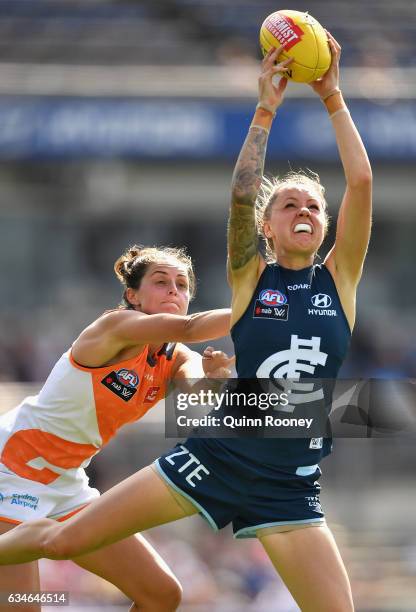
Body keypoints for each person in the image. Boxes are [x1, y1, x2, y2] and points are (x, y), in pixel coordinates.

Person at [0, 33, 371, 612]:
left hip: (286, 481)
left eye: (315, 206)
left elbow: (364, 185)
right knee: (36, 584)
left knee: (163, 596)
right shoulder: (162, 312)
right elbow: (237, 207)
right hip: (178, 462)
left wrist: (334, 98)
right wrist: (266, 108)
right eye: (289, 205)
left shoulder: (338, 282)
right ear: (266, 228)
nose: (304, 211)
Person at [0, 244, 232, 612]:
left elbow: (194, 395)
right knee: (23, 606)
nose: (174, 290)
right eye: (161, 282)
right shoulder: (116, 326)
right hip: (12, 469)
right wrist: (264, 307)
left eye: (182, 284)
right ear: (132, 296)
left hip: (66, 482)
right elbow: (191, 327)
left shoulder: (175, 356)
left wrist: (215, 380)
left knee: (161, 595)